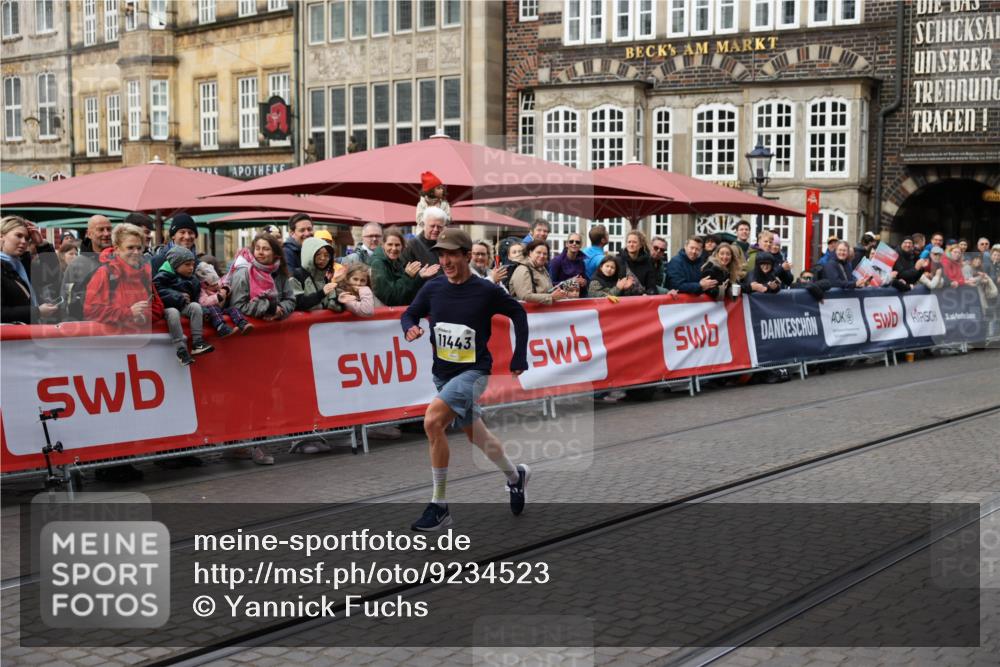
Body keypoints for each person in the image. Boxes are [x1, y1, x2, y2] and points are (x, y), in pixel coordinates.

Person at [400, 227, 530, 531]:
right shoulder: (433, 288)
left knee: (432, 422)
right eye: (441, 254)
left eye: (451, 254)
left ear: (467, 256)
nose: (445, 260)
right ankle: (515, 476)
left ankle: (440, 506)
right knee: (476, 435)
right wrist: (410, 327)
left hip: (474, 373)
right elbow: (410, 313)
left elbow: (519, 315)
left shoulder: (486, 290)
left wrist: (519, 355)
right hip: (442, 374)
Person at [153, 246, 215, 357]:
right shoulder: (163, 276)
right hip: (167, 308)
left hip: (183, 307)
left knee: (195, 306)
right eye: (187, 265)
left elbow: (196, 300)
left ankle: (198, 343)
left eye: (192, 264)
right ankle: (180, 348)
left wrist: (203, 311)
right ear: (175, 264)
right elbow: (158, 291)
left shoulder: (193, 280)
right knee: (173, 312)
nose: (191, 268)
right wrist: (178, 296)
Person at [1, 216, 60, 324]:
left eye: (27, 238)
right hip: (8, 338)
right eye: (18, 235)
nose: (24, 241)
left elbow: (51, 276)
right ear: (1, 237)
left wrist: (42, 245)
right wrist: (37, 311)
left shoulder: (21, 264)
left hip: (27, 335)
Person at [226, 234, 296, 323]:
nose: (260, 252)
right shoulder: (243, 273)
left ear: (275, 254)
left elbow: (290, 299)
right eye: (257, 248)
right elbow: (237, 305)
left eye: (266, 249)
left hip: (275, 332)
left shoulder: (279, 272)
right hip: (248, 333)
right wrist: (268, 307)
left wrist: (280, 310)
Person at [62, 214, 113, 319]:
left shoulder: (120, 260)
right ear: (89, 234)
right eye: (101, 230)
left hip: (117, 325)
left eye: (109, 229)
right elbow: (66, 299)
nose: (106, 233)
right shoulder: (77, 264)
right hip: (85, 327)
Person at [371, 227, 438, 306]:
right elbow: (390, 297)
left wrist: (419, 277)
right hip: (386, 316)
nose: (394, 248)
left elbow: (406, 291)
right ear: (383, 245)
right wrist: (407, 276)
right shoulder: (378, 264)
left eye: (397, 245)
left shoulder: (397, 261)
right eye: (390, 244)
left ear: (402, 246)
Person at [195, 261, 251, 336]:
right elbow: (203, 302)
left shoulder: (218, 283)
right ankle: (221, 327)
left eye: (216, 283)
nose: (216, 286)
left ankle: (242, 323)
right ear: (205, 285)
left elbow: (226, 284)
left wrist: (226, 289)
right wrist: (218, 297)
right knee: (213, 309)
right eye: (213, 285)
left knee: (233, 309)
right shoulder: (202, 291)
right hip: (212, 311)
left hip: (222, 308)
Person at [290, 236, 345, 313]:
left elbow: (332, 306)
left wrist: (339, 301)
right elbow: (297, 303)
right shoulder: (297, 275)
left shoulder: (324, 279)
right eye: (318, 254)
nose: (323, 258)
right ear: (308, 254)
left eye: (326, 255)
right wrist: (321, 293)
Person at [509, 240, 571, 304]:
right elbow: (525, 296)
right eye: (538, 252)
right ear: (530, 253)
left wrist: (558, 293)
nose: (542, 256)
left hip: (541, 312)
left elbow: (547, 290)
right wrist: (551, 296)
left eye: (545, 254)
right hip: (527, 312)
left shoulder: (543, 269)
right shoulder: (523, 269)